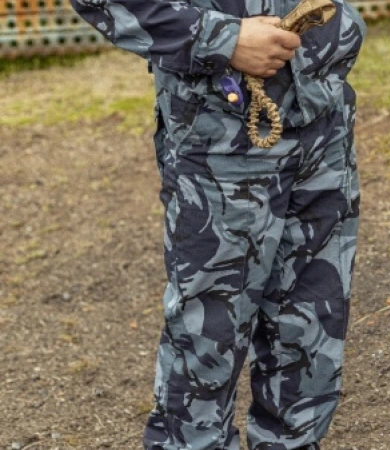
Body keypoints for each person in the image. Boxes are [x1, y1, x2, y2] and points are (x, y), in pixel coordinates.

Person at [70, 1, 366, 449]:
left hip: (323, 122)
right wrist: (222, 38)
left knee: (308, 331)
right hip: (220, 136)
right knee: (208, 340)